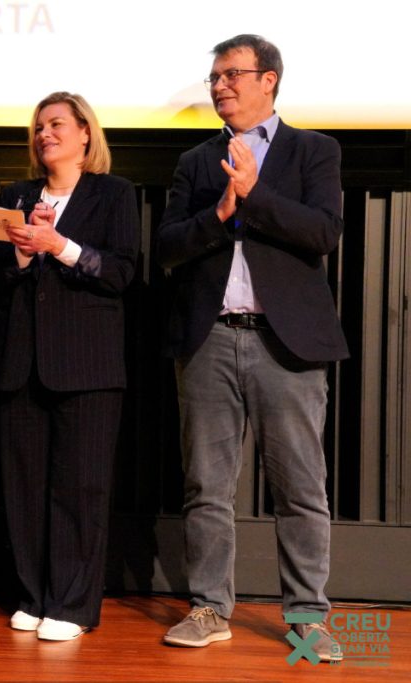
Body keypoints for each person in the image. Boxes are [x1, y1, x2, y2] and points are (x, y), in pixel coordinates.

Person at [157, 35, 347, 661]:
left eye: (232, 74)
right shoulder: (195, 161)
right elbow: (169, 247)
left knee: (300, 488)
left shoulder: (314, 150)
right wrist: (219, 212)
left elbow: (322, 233)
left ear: (269, 79)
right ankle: (209, 608)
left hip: (285, 342)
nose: (219, 86)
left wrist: (256, 194)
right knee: (207, 487)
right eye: (214, 77)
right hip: (209, 338)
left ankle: (307, 619)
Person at [0, 92, 139, 641]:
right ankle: (32, 596)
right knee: (23, 488)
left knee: (80, 489)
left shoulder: (113, 194)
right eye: (39, 126)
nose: (44, 134)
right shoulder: (15, 196)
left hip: (87, 364)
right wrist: (23, 252)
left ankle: (71, 605)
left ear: (85, 133)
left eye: (56, 124)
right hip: (20, 361)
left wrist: (60, 245)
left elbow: (120, 273)